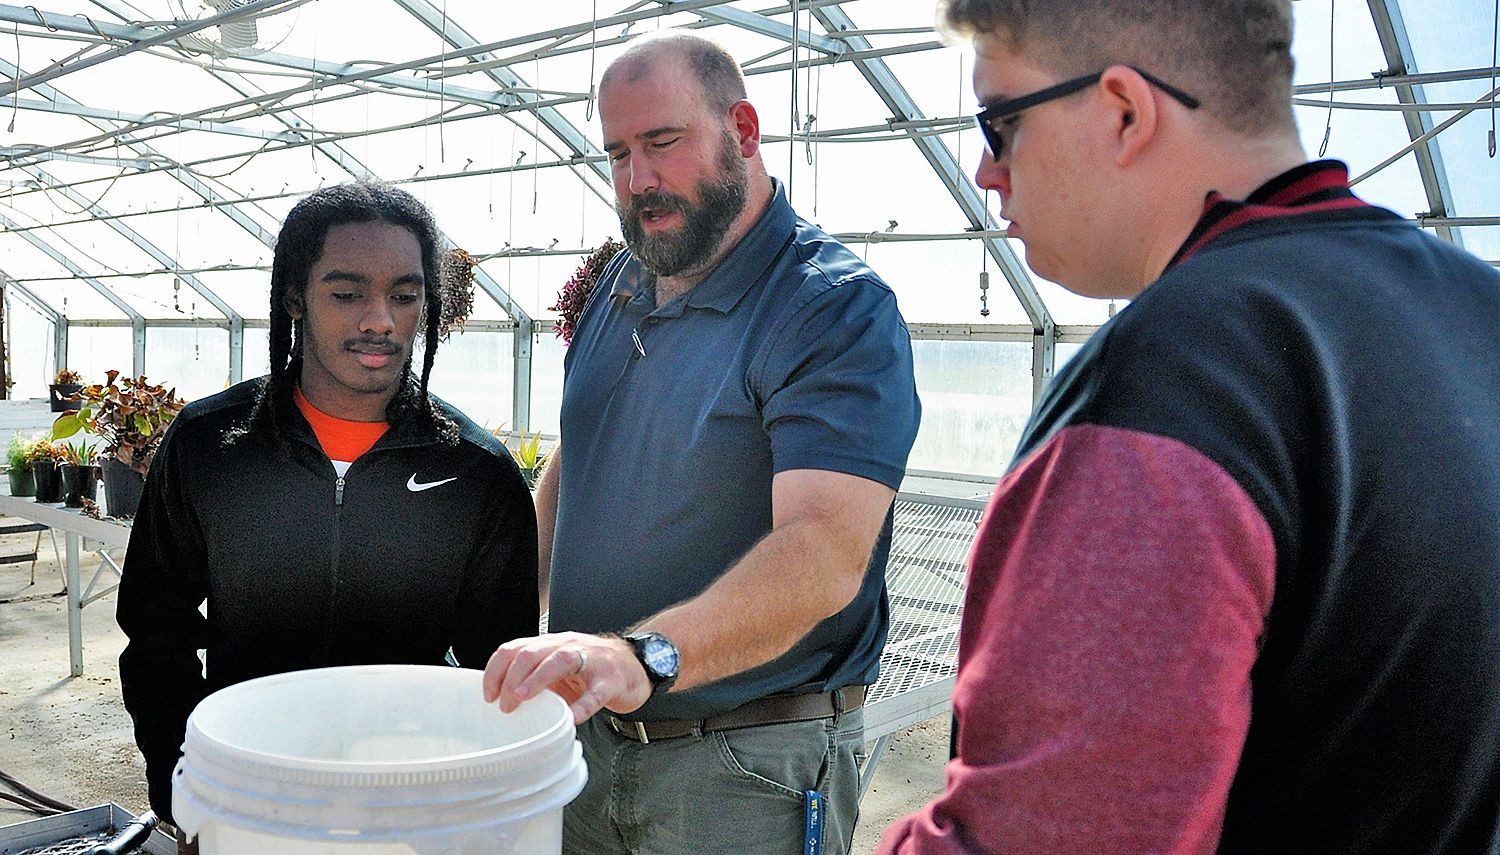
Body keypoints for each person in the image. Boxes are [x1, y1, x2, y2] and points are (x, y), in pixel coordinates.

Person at [880, 1, 1500, 852]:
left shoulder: (1181, 382)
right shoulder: (1475, 311)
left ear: (1124, 111)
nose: (988, 174)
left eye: (999, 125)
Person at [480, 31, 921, 855]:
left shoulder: (828, 309)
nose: (637, 178)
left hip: (743, 767)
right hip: (584, 740)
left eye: (662, 143)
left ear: (743, 131)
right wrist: (498, 621)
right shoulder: (621, 282)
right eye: (616, 152)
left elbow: (825, 550)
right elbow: (578, 456)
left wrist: (644, 655)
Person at [117, 182, 540, 851]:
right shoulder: (209, 445)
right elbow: (155, 634)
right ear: (294, 294)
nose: (380, 319)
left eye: (405, 294)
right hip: (249, 805)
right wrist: (185, 790)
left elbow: (498, 675)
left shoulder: (476, 473)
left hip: (409, 817)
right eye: (347, 293)